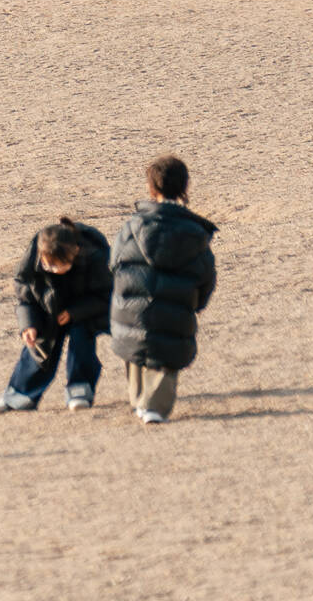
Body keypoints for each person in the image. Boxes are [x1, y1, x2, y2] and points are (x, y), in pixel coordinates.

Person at [106, 155, 217, 425]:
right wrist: (196, 303)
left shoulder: (132, 226)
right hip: (176, 305)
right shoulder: (195, 232)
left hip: (131, 306)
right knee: (166, 358)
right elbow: (206, 275)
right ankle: (154, 407)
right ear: (184, 188)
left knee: (135, 350)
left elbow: (114, 264)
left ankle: (138, 401)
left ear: (151, 189)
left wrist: (121, 297)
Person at [0, 218, 110, 413]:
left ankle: (80, 389)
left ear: (75, 253)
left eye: (59, 266)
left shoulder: (95, 256)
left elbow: (106, 295)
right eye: (48, 266)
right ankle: (20, 395)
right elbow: (25, 296)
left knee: (81, 338)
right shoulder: (34, 257)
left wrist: (74, 312)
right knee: (39, 342)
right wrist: (28, 324)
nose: (53, 270)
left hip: (86, 308)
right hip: (49, 306)